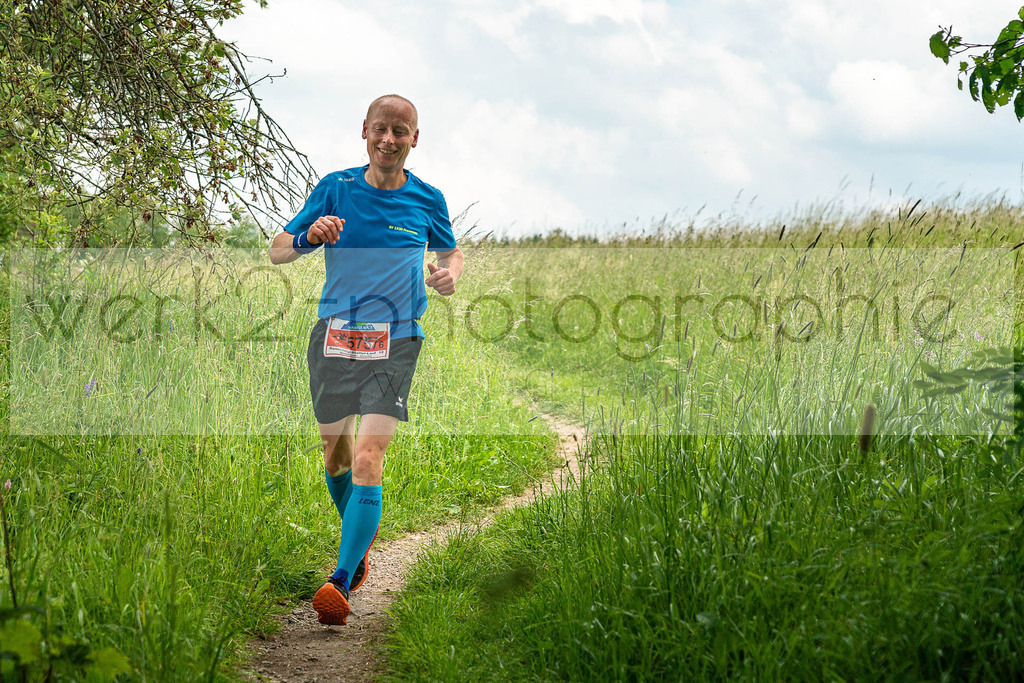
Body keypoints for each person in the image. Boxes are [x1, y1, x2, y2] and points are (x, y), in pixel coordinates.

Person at [269, 94, 463, 626]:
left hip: (397, 342)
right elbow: (278, 248)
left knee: (368, 459)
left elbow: (450, 252)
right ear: (365, 131)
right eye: (381, 129)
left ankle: (340, 579)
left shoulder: (428, 199)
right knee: (336, 458)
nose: (389, 140)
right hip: (336, 336)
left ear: (414, 139)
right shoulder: (336, 187)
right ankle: (361, 546)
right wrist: (311, 234)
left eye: (401, 131)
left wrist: (449, 274)